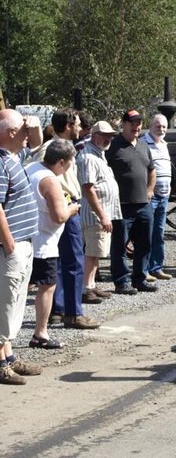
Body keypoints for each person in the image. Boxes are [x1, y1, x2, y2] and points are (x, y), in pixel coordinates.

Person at [32, 108, 100, 329]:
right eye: (78, 124)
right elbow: (46, 177)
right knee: (72, 261)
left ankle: (58, 310)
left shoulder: (59, 147)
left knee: (59, 261)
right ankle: (73, 312)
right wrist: (63, 202)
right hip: (62, 208)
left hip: (62, 206)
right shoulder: (50, 150)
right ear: (68, 126)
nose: (80, 128)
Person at [26, 139, 81, 349]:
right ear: (60, 162)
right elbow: (59, 216)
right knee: (47, 287)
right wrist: (72, 209)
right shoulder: (50, 180)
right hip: (44, 242)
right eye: (69, 163)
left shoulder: (31, 168)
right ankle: (41, 333)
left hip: (26, 238)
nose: (69, 167)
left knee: (21, 289)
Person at [0, 109, 41, 384]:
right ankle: (1, 363)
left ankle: (9, 356)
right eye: (23, 131)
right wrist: (9, 242)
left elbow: (37, 141)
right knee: (5, 304)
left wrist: (31, 124)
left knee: (14, 303)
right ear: (12, 133)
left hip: (24, 241)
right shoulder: (1, 162)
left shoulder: (15, 154)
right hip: (11, 246)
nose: (28, 135)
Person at [106, 109, 157, 294]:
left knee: (145, 243)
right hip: (121, 205)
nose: (137, 126)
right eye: (133, 123)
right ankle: (121, 281)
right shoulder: (113, 146)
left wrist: (150, 190)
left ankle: (140, 278)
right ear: (124, 124)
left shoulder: (144, 146)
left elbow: (152, 170)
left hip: (143, 204)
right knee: (120, 245)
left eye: (139, 123)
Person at [77, 121, 121, 303]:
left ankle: (91, 284)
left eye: (110, 135)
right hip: (95, 213)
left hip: (102, 212)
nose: (109, 138)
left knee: (97, 251)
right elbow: (88, 188)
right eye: (105, 135)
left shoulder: (99, 154)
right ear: (94, 135)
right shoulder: (88, 157)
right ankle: (86, 288)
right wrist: (102, 215)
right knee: (92, 252)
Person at [142, 114, 173, 280]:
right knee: (146, 233)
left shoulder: (164, 144)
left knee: (159, 233)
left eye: (164, 127)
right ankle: (144, 269)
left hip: (164, 194)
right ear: (150, 126)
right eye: (158, 126)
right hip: (150, 194)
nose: (161, 130)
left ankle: (156, 267)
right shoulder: (143, 143)